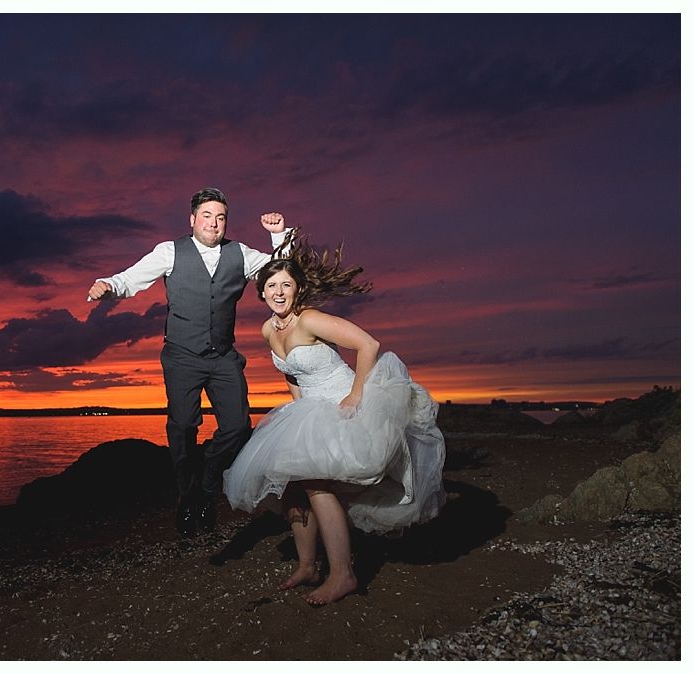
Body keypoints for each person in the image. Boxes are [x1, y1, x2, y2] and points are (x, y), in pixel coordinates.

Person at [222, 227, 446, 605]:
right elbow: (292, 374)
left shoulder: (308, 319)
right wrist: (295, 410)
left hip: (344, 403)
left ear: (296, 290)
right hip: (309, 410)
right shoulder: (266, 330)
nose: (278, 292)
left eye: (286, 285)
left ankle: (343, 574)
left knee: (317, 485)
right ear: (260, 292)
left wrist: (357, 395)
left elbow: (368, 344)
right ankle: (309, 565)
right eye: (271, 285)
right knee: (292, 486)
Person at [88, 188, 287, 536]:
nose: (214, 223)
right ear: (193, 219)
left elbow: (283, 272)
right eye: (207, 216)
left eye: (221, 217)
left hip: (224, 356)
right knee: (182, 428)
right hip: (181, 356)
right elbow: (131, 278)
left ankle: (207, 486)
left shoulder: (240, 253)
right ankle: (186, 495)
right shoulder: (170, 251)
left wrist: (278, 235)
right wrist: (108, 284)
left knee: (239, 427)